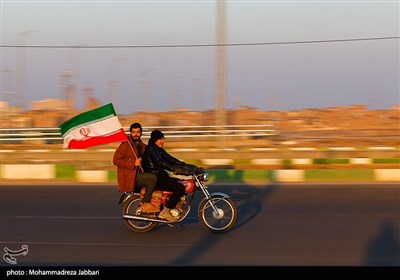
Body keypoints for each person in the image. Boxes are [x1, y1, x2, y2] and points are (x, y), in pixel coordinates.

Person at [142, 129, 202, 222]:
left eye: (163, 138)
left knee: (181, 182)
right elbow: (161, 162)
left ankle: (176, 206)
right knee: (180, 188)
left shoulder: (158, 149)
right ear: (155, 140)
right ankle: (165, 211)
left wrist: (190, 167)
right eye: (161, 139)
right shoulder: (151, 150)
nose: (163, 141)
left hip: (161, 176)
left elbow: (171, 159)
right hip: (154, 178)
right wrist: (176, 170)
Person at [113, 123, 159, 213]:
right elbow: (115, 160)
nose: (136, 134)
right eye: (133, 132)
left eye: (138, 132)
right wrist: (133, 163)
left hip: (136, 174)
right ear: (130, 133)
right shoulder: (126, 145)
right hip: (129, 177)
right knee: (152, 178)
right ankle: (146, 204)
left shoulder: (141, 145)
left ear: (141, 133)